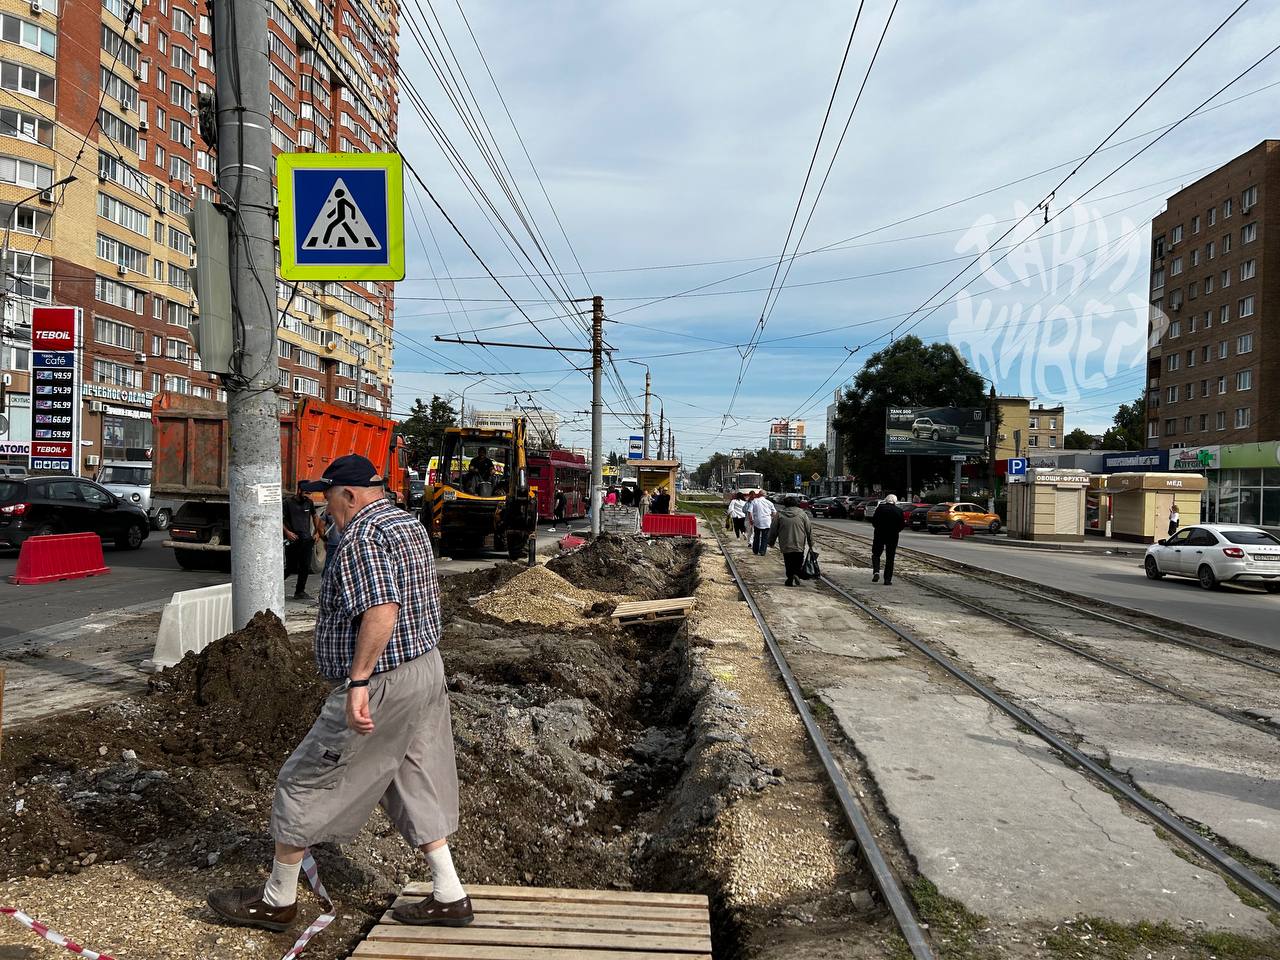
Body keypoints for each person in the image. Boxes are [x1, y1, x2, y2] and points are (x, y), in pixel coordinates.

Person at [208, 455, 471, 931]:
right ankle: (450, 894)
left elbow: (382, 611)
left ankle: (277, 901)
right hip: (424, 670)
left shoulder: (362, 538)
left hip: (384, 680)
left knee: (301, 779)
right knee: (410, 775)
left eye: (327, 496)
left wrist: (358, 683)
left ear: (349, 494)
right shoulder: (405, 524)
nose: (324, 507)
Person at [283, 485, 323, 601]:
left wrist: (317, 533)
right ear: (299, 490)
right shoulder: (287, 503)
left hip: (306, 540)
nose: (307, 496)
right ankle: (273, 586)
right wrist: (287, 532)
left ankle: (299, 591)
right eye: (306, 493)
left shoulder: (309, 502)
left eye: (309, 494)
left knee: (305, 566)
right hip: (293, 539)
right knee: (290, 567)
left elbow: (315, 517)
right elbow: (279, 519)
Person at [771, 495, 813, 586]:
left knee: (788, 560)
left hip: (785, 542)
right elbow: (808, 528)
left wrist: (771, 541)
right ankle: (796, 574)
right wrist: (810, 542)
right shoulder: (802, 514)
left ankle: (790, 577)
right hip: (799, 542)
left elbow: (773, 529)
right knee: (798, 559)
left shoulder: (780, 514)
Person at [871, 493, 906, 586]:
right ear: (895, 501)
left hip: (879, 535)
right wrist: (896, 531)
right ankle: (887, 580)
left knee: (876, 554)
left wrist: (878, 528)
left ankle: (876, 572)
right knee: (890, 558)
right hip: (893, 536)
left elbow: (874, 521)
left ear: (886, 500)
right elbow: (902, 525)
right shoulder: (899, 511)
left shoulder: (880, 508)